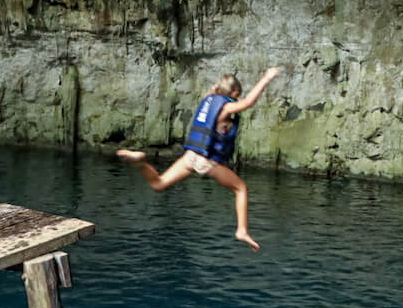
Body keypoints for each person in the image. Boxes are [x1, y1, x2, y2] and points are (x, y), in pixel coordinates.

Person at [117, 67, 282, 251]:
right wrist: (266, 78)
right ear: (234, 93)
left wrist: (218, 87)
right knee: (241, 189)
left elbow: (218, 93)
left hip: (190, 156)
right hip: (206, 161)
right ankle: (242, 231)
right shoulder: (227, 107)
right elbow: (249, 102)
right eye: (237, 95)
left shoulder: (207, 99)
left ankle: (139, 161)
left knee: (159, 184)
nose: (237, 98)